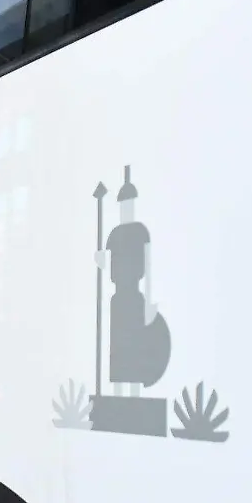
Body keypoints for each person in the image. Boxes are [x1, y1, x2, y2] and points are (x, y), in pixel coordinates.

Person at [95, 166, 171, 395]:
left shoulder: (140, 232)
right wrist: (100, 261)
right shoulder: (114, 234)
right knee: (119, 351)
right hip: (118, 297)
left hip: (135, 296)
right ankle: (117, 394)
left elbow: (148, 265)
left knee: (134, 354)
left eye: (128, 204)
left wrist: (149, 301)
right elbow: (107, 264)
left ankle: (135, 395)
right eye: (123, 204)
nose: (125, 208)